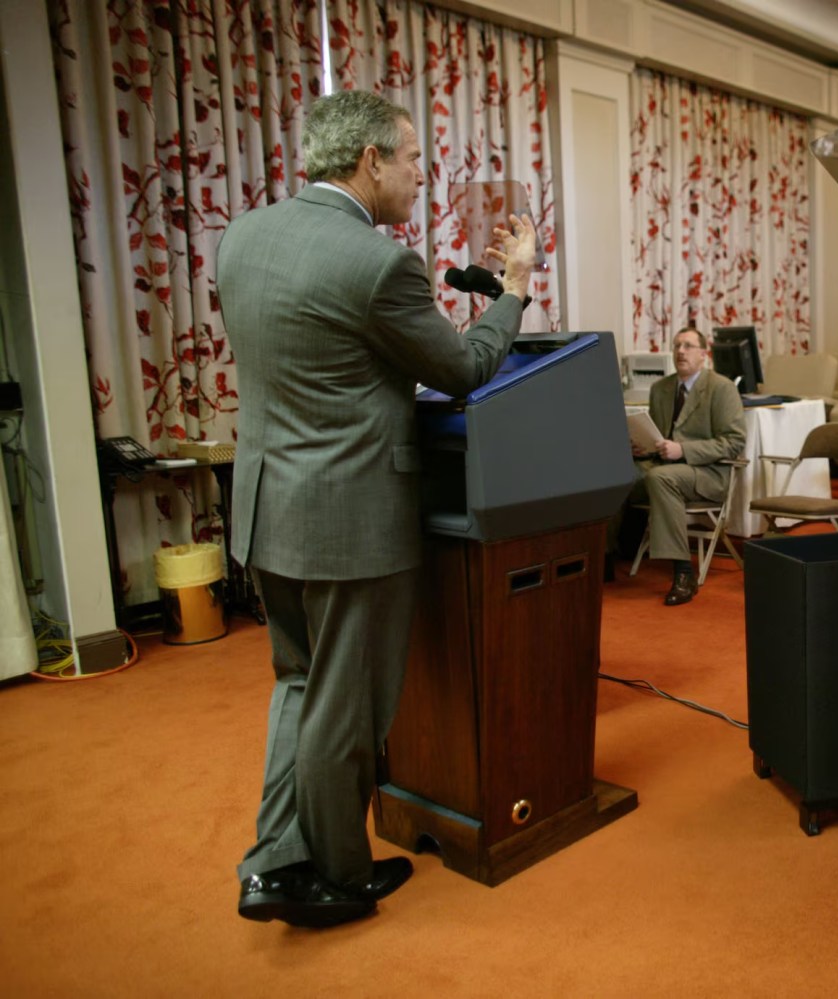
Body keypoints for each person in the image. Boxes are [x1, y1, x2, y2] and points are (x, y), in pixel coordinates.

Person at [216, 90, 536, 928]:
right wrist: (514, 288)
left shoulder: (244, 235)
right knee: (346, 703)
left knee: (299, 684)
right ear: (371, 161)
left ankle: (275, 860)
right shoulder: (377, 263)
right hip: (350, 520)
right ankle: (335, 872)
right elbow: (464, 368)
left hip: (267, 508)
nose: (421, 174)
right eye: (412, 157)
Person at [623, 326, 746, 605]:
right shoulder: (661, 388)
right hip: (663, 465)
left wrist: (684, 450)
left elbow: (734, 442)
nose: (681, 351)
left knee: (661, 478)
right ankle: (610, 555)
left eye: (688, 346)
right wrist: (642, 448)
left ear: (704, 354)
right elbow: (658, 437)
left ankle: (683, 572)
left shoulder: (721, 388)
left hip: (707, 472)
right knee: (616, 473)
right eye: (677, 346)